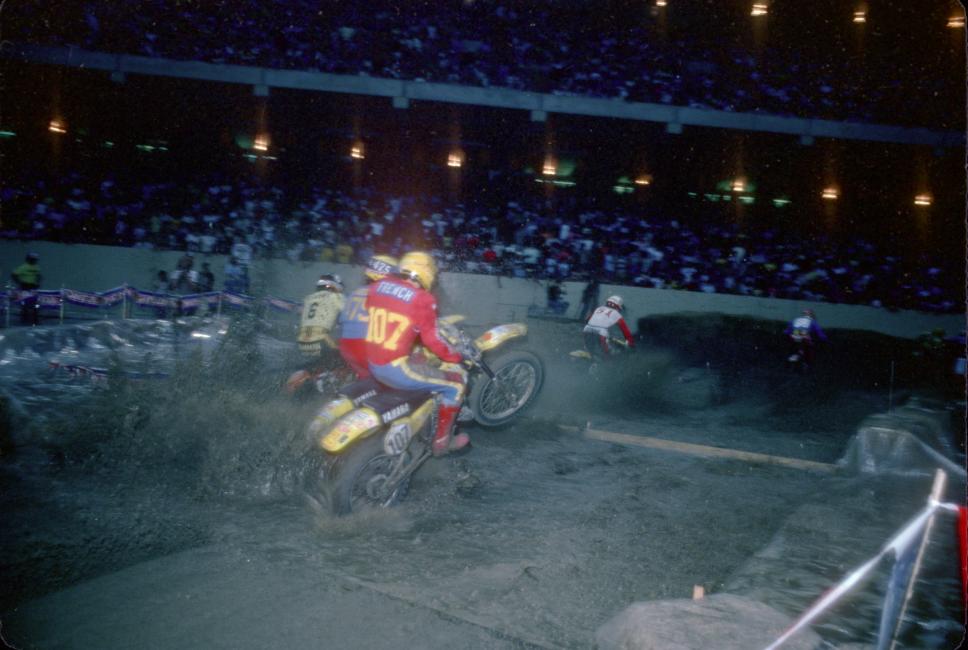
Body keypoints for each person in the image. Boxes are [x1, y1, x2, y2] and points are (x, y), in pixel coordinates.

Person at [365, 251, 470, 456]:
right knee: (456, 384)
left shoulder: (377, 286)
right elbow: (432, 341)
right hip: (396, 370)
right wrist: (455, 357)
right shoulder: (423, 298)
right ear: (427, 272)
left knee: (421, 363)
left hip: (374, 363)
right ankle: (441, 443)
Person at [338, 255, 397, 379]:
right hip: (366, 345)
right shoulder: (385, 293)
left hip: (346, 344)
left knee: (365, 379)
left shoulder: (356, 292)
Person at [297, 274, 345, 358]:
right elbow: (351, 314)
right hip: (322, 340)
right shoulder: (336, 297)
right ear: (336, 286)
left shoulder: (308, 298)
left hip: (302, 341)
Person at [582, 294, 635, 359]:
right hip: (601, 334)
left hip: (586, 330)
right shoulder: (617, 314)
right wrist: (631, 343)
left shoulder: (598, 308)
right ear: (618, 306)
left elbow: (587, 320)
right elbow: (625, 331)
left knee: (590, 350)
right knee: (607, 355)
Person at [11, 252, 42, 325]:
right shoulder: (24, 267)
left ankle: (35, 320)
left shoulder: (36, 267)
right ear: (28, 259)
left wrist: (38, 282)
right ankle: (24, 319)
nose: (34, 260)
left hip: (33, 287)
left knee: (35, 303)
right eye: (33, 259)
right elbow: (14, 274)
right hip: (25, 286)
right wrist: (19, 282)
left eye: (35, 259)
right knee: (24, 303)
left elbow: (38, 275)